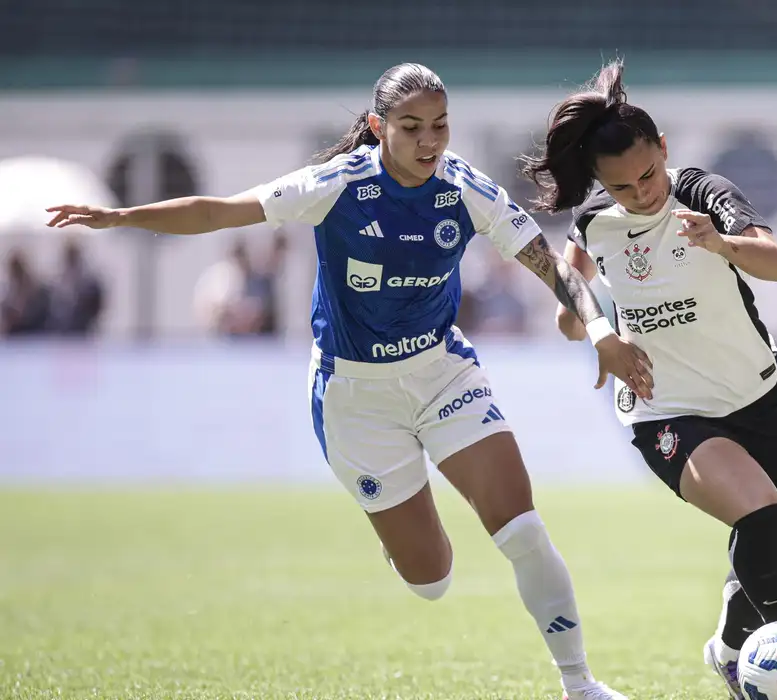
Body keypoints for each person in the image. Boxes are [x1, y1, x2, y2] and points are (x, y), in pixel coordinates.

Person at [45, 62, 653, 700]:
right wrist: (121, 218)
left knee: (523, 529)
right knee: (431, 577)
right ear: (377, 127)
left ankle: (579, 684)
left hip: (443, 374)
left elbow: (553, 266)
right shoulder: (336, 184)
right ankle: (399, 527)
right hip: (355, 399)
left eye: (440, 126)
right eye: (411, 126)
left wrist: (602, 331)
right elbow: (221, 211)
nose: (430, 141)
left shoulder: (464, 188)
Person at [521, 59, 777, 700]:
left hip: (758, 392)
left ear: (664, 152)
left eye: (649, 175)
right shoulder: (595, 222)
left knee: (776, 541)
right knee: (758, 517)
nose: (642, 193)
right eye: (622, 187)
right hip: (667, 408)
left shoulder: (705, 193)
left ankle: (731, 646)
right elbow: (569, 301)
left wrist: (721, 243)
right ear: (601, 184)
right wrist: (599, 334)